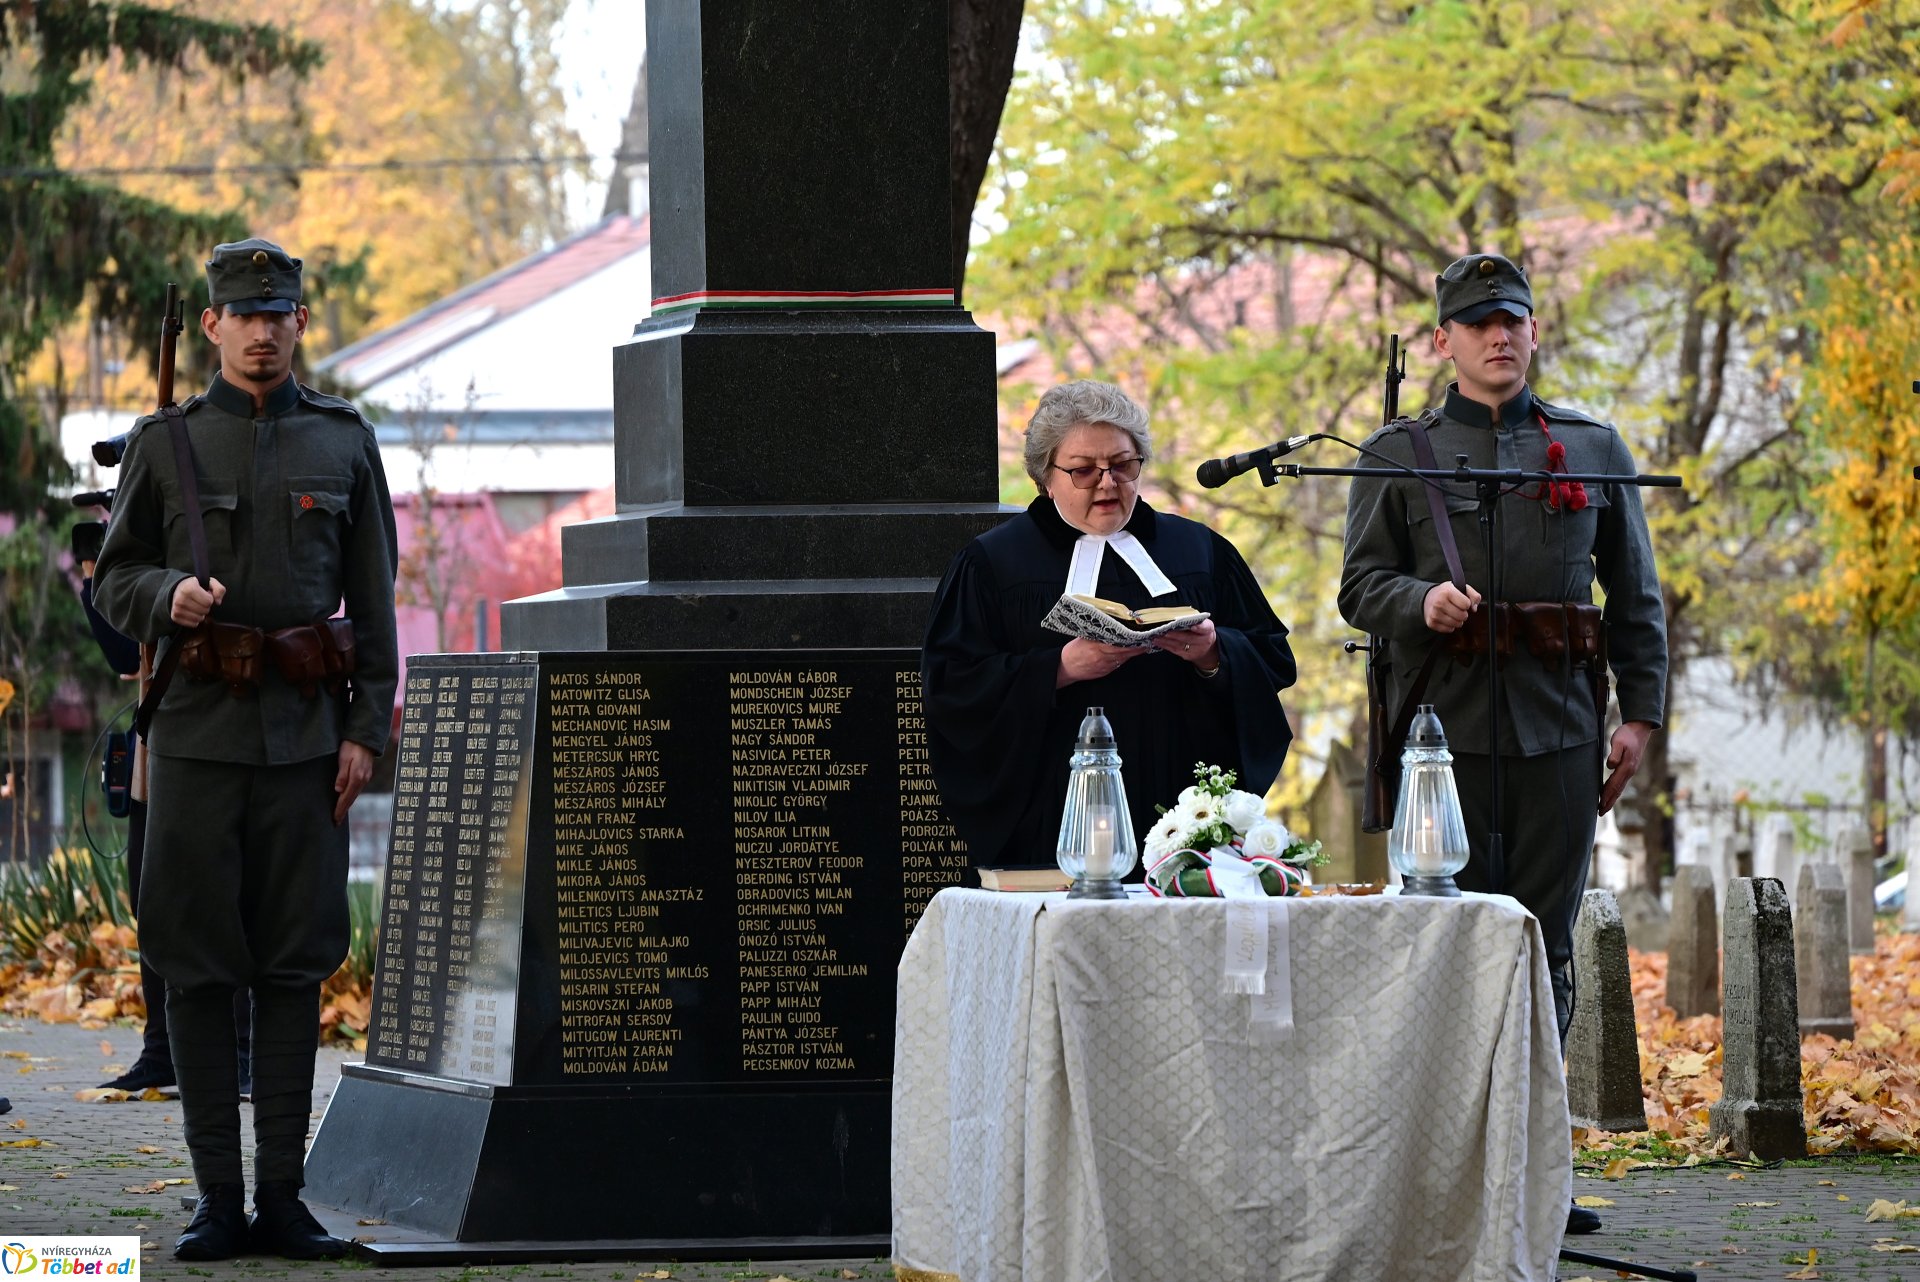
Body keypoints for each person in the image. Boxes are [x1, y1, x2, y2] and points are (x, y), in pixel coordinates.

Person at [1338, 253, 1668, 1235]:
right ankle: (1445, 1177)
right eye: (1478, 323)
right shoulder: (1397, 453)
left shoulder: (1593, 447)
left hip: (1560, 735)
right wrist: (1419, 599)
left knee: (1545, 950)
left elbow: (1636, 598)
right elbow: (1358, 586)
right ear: (1443, 341)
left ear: (1534, 334)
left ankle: (1535, 1174)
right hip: (1440, 741)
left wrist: (1640, 715)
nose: (1499, 337)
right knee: (1448, 948)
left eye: (1514, 321)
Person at [94, 238, 398, 1261]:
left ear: (301, 324)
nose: (262, 330)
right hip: (194, 737)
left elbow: (379, 604)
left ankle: (284, 1198)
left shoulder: (345, 443)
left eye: (280, 314)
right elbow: (111, 574)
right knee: (195, 962)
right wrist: (160, 596)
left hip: (306, 742)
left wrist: (365, 732)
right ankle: (218, 1201)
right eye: (244, 314)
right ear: (214, 326)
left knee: (294, 964)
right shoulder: (165, 442)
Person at [922, 380, 1296, 868]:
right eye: (1082, 471)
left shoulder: (1199, 551)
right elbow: (950, 686)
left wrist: (1213, 654)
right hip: (1051, 819)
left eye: (1123, 465)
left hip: (1185, 820)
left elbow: (1272, 659)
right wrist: (1058, 668)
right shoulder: (993, 565)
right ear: (1045, 476)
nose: (1107, 483)